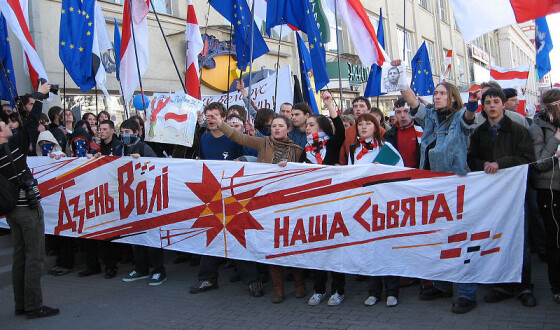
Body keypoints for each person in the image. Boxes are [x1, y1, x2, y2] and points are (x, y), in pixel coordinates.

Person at [394, 58, 478, 313]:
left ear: (452, 97)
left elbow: (469, 116)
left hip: (454, 184)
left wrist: (473, 101)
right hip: (431, 186)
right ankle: (442, 286)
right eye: (436, 92)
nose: (437, 96)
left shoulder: (458, 120)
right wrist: (400, 76)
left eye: (442, 93)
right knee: (438, 237)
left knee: (459, 238)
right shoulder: (430, 117)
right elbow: (412, 100)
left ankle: (467, 293)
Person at [207, 111, 305, 303]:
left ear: (288, 129)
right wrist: (221, 124)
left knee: (289, 243)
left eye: (280, 126)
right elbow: (238, 137)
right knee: (271, 242)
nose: (276, 129)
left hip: (287, 202)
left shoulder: (298, 150)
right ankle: (278, 287)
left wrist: (291, 166)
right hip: (264, 201)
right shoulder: (263, 143)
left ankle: (300, 283)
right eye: (274, 126)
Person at [467, 88, 536, 307]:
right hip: (492, 197)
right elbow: (472, 159)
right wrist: (484, 165)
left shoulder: (518, 130)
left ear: (503, 104)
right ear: (483, 106)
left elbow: (527, 158)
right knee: (496, 238)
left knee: (520, 239)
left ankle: (524, 286)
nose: (492, 106)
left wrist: (500, 164)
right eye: (487, 102)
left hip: (515, 194)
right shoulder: (478, 133)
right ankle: (501, 284)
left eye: (496, 101)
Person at [189, 102, 263, 297]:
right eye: (208, 115)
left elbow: (252, 160)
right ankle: (208, 277)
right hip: (213, 195)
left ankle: (252, 279)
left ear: (223, 118)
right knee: (212, 234)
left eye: (215, 115)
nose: (211, 119)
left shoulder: (234, 138)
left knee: (237, 235)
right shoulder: (204, 139)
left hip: (235, 196)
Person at [0, 81, 60, 318]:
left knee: (19, 257)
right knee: (34, 257)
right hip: (27, 207)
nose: (7, 125)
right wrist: (39, 97)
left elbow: (27, 126)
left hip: (12, 211)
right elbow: (31, 125)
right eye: (4, 123)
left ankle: (21, 304)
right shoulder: (11, 145)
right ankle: (34, 306)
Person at [304, 91, 346, 306]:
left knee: (334, 247)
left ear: (321, 126)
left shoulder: (331, 144)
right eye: (306, 125)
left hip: (332, 202)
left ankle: (338, 289)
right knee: (316, 249)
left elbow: (340, 131)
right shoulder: (305, 150)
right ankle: (319, 289)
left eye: (311, 124)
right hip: (312, 204)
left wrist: (330, 104)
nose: (307, 127)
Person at [117, 119, 167, 286]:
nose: (125, 135)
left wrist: (143, 162)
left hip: (146, 200)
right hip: (129, 200)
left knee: (151, 236)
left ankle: (158, 270)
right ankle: (141, 268)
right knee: (135, 236)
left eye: (128, 132)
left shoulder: (144, 148)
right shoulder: (120, 148)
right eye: (122, 132)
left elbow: (156, 170)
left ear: (136, 133)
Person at [528, 88, 560, 305]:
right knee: (556, 239)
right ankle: (556, 286)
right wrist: (556, 139)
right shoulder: (537, 128)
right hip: (550, 190)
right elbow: (539, 163)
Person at [339, 97, 386, 165]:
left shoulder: (381, 131)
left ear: (369, 110)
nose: (358, 109)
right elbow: (343, 159)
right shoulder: (347, 132)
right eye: (355, 106)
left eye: (361, 106)